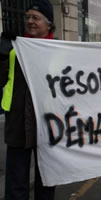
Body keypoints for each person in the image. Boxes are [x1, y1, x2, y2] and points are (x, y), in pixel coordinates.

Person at [0, 0, 56, 199]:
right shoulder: (14, 48)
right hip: (18, 122)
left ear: (48, 24)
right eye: (28, 17)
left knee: (47, 180)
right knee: (16, 182)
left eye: (36, 18)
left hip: (49, 124)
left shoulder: (60, 51)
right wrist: (1, 56)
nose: (30, 21)